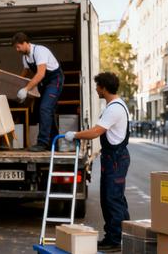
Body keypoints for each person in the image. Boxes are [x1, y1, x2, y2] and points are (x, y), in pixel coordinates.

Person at [64, 73, 131, 252]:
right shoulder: (115, 104)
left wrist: (75, 135)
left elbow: (96, 132)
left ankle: (115, 240)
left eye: (97, 86)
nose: (95, 89)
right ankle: (122, 235)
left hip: (115, 159)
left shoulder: (114, 108)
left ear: (103, 87)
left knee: (112, 200)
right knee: (115, 198)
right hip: (114, 158)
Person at [12, 32, 64, 152]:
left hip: (54, 79)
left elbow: (41, 73)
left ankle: (42, 143)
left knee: (44, 108)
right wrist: (17, 86)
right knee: (46, 111)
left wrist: (26, 89)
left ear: (25, 43)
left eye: (18, 46)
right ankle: (54, 143)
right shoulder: (25, 57)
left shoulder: (40, 51)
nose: (17, 49)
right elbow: (25, 72)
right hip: (43, 82)